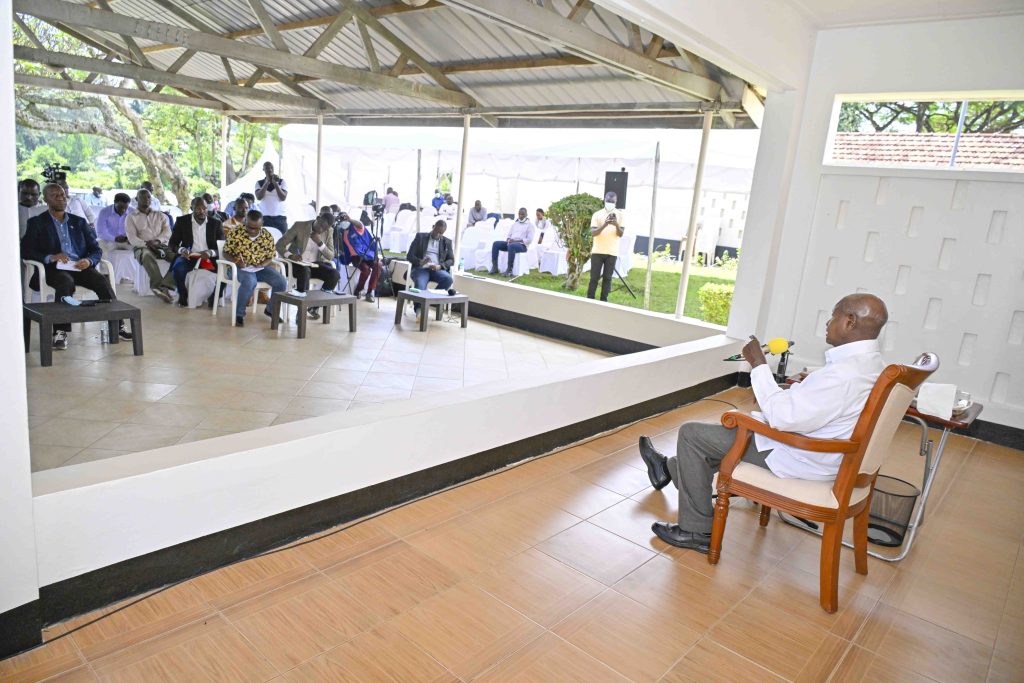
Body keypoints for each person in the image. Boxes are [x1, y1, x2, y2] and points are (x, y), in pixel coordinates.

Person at [637, 293, 890, 553]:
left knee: (693, 435)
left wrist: (758, 364)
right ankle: (667, 469)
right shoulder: (873, 364)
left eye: (833, 316)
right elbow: (830, 400)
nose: (827, 322)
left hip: (802, 456)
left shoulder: (843, 375)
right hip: (831, 455)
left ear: (849, 321)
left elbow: (782, 418)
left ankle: (695, 530)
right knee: (723, 434)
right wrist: (809, 383)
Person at [21, 183, 132, 350]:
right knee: (65, 282)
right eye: (55, 195)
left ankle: (117, 324)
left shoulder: (78, 222)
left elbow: (95, 249)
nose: (61, 198)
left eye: (63, 195)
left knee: (101, 280)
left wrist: (89, 261)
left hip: (79, 266)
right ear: (45, 199)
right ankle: (60, 331)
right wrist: (51, 257)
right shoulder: (37, 222)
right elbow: (26, 250)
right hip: (54, 269)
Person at [223, 209, 287, 327]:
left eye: (256, 228)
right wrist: (237, 261)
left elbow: (271, 256)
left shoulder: (266, 235)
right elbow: (225, 252)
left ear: (261, 224)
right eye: (249, 227)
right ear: (245, 222)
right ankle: (239, 314)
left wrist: (262, 264)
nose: (252, 231)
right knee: (249, 281)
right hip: (238, 268)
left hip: (259, 268)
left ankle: (271, 310)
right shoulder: (235, 232)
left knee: (282, 282)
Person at [276, 213, 339, 320]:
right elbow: (279, 244)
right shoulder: (299, 226)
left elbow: (330, 255)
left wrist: (319, 243)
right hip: (295, 264)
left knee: (334, 274)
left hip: (314, 264)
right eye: (321, 226)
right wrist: (290, 255)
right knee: (305, 271)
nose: (322, 230)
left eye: (325, 228)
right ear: (318, 218)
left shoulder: (329, 231)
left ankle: (314, 307)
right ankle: (300, 312)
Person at [169, 196, 224, 308]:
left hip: (209, 257)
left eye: (204, 208)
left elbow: (222, 246)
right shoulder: (182, 221)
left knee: (226, 271)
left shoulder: (216, 223)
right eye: (198, 209)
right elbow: (172, 244)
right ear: (191, 208)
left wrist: (211, 253)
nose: (202, 211)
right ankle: (183, 295)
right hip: (189, 256)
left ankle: (214, 296)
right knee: (178, 268)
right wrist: (181, 249)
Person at [125, 189, 178, 303]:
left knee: (179, 259)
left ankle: (166, 285)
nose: (147, 199)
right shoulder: (131, 217)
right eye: (143, 197)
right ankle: (158, 286)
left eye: (149, 197)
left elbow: (167, 232)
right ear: (136, 199)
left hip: (161, 245)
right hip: (141, 247)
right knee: (147, 256)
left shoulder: (161, 215)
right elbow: (132, 237)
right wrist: (145, 244)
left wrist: (158, 241)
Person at [406, 219, 454, 317]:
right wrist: (420, 262)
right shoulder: (420, 237)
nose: (438, 234)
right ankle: (419, 310)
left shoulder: (447, 242)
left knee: (448, 279)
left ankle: (429, 301)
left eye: (441, 233)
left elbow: (451, 260)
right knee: (420, 284)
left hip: (437, 269)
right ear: (433, 227)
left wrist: (440, 266)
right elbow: (409, 255)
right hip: (421, 268)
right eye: (436, 231)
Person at [587, 191, 625, 301]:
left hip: (612, 252)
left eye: (612, 202)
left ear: (616, 202)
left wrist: (616, 224)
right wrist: (605, 224)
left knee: (607, 278)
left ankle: (604, 301)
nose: (610, 203)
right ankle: (590, 299)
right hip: (597, 251)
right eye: (608, 201)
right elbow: (593, 233)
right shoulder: (597, 214)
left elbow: (621, 234)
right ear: (604, 200)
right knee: (594, 278)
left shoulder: (621, 215)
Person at [341, 219, 382, 303]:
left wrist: (350, 219)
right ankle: (359, 289)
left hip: (368, 255)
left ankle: (370, 292)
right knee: (365, 270)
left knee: (378, 265)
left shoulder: (357, 228)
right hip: (355, 257)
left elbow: (360, 224)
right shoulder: (342, 231)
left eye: (346, 220)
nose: (344, 222)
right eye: (342, 221)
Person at [490, 207, 535, 276]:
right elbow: (509, 235)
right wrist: (508, 239)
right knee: (496, 244)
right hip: (511, 243)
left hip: (522, 245)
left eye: (522, 214)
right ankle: (495, 267)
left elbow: (529, 240)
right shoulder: (515, 224)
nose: (520, 216)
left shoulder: (530, 225)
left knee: (512, 246)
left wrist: (515, 241)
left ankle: (509, 270)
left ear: (526, 214)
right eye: (519, 214)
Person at [255, 161, 288, 232]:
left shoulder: (282, 182)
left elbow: (283, 198)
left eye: (271, 167)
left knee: (282, 240)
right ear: (263, 169)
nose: (269, 169)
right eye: (267, 167)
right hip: (265, 217)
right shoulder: (259, 183)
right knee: (265, 240)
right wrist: (266, 182)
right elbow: (259, 197)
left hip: (280, 217)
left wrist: (275, 184)